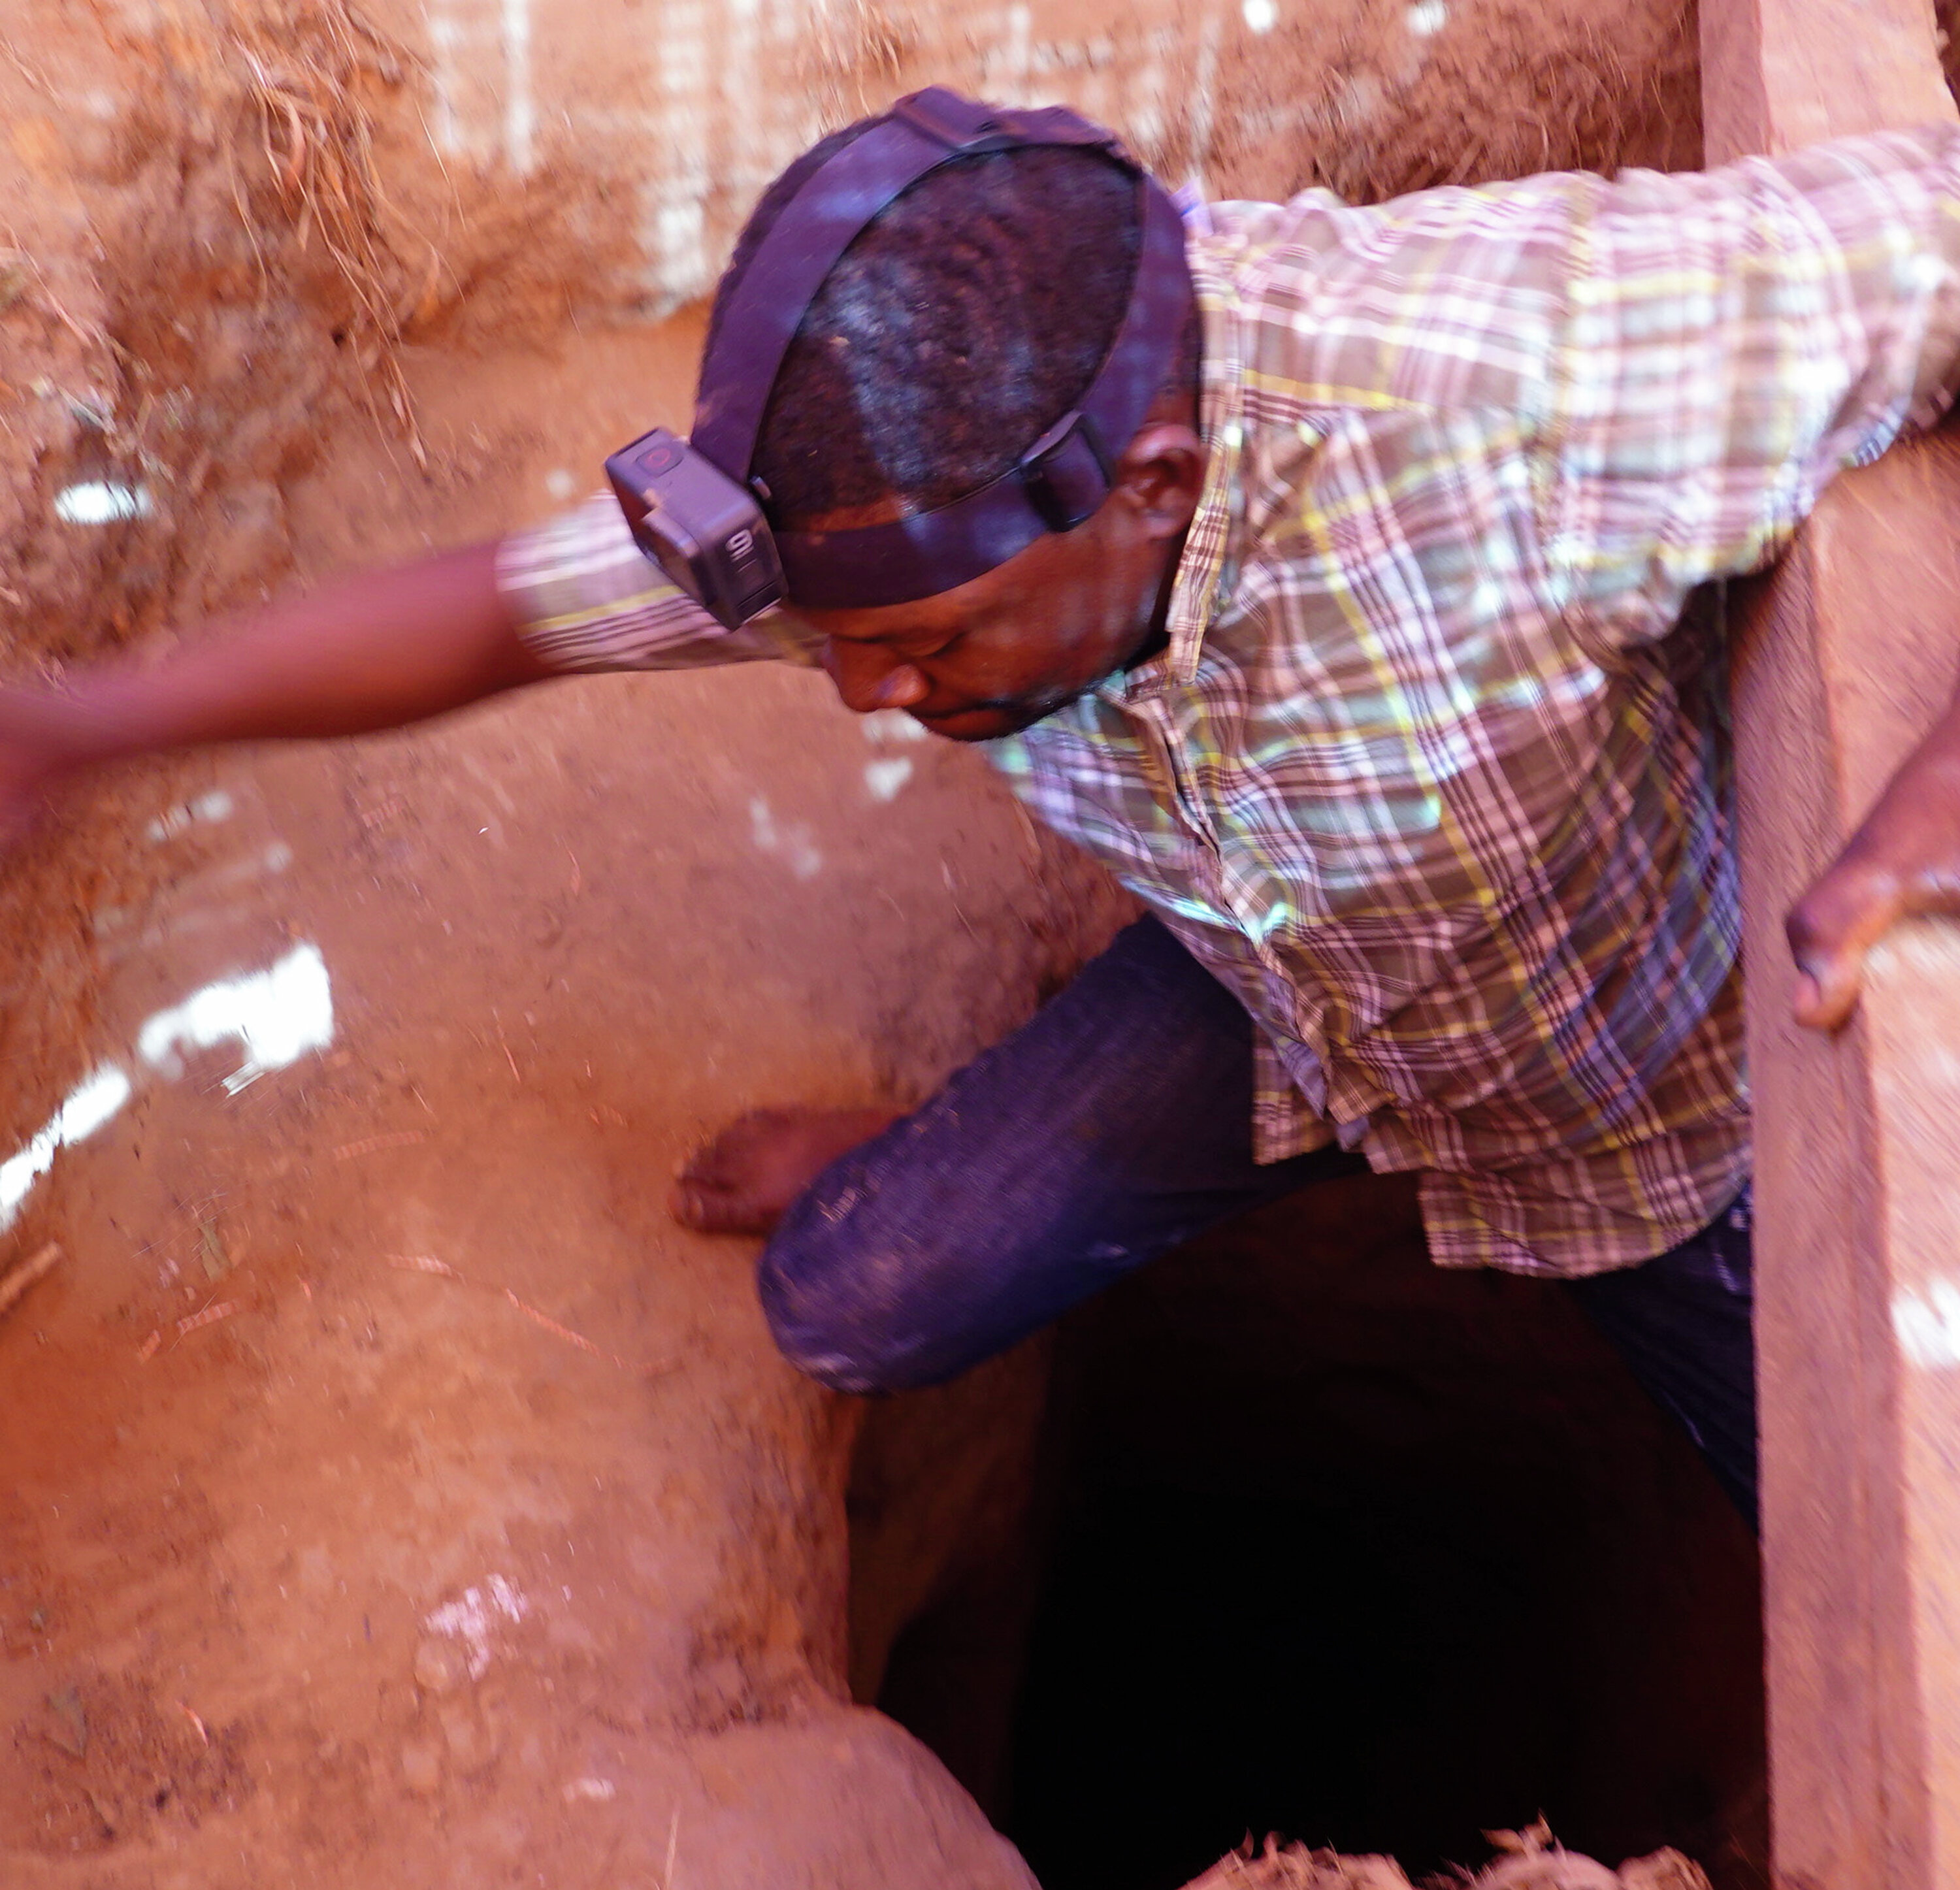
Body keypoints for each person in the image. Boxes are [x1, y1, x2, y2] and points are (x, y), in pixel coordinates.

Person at [6, 101, 1960, 1531]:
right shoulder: (871, 508)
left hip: (1668, 1113)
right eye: (831, 641)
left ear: (1156, 483)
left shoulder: (1537, 374)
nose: (862, 697)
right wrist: (85, 719)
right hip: (1288, 1001)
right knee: (850, 1292)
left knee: (1880, 1579)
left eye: (927, 648)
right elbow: (508, 614)